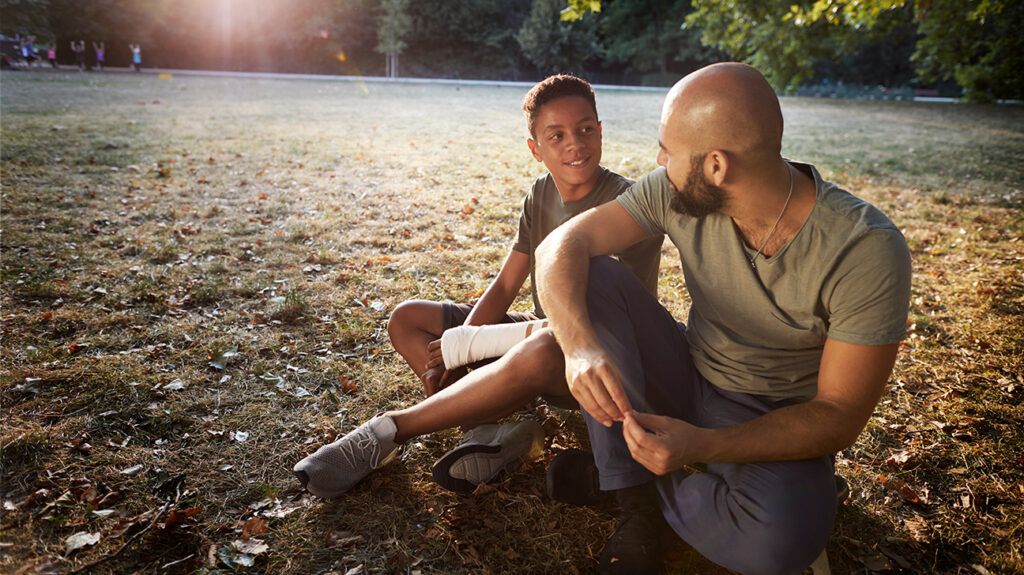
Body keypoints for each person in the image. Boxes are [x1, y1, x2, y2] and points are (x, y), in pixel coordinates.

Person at [533, 62, 912, 574]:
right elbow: (562, 244)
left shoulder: (865, 248)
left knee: (776, 546)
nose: (659, 159)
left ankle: (626, 474)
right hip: (688, 369)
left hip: (770, 415)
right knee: (595, 275)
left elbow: (839, 415)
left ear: (716, 166)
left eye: (669, 149)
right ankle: (634, 500)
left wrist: (703, 444)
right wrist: (578, 346)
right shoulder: (672, 191)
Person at [293, 74, 662, 498]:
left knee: (538, 349)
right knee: (407, 319)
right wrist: (461, 342)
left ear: (600, 130)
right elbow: (506, 284)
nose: (574, 144)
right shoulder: (541, 192)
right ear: (535, 149)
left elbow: (609, 321)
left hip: (588, 353)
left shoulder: (628, 205)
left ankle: (396, 430)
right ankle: (490, 433)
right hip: (540, 328)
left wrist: (478, 345)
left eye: (584, 130)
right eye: (556, 135)